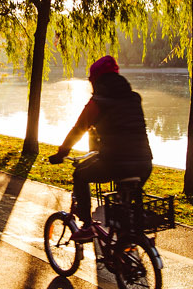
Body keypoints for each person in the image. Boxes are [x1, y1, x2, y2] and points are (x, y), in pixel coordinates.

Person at [47, 55, 153, 241]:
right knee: (124, 207)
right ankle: (124, 249)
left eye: (90, 79)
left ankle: (87, 226)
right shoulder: (134, 98)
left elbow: (78, 129)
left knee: (80, 174)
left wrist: (61, 153)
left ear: (96, 79)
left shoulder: (98, 102)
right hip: (144, 163)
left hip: (116, 163)